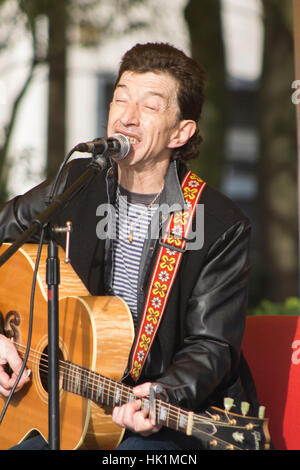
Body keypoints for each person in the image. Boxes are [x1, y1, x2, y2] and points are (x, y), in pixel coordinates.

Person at [0, 42, 259, 450]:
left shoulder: (219, 224)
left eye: (150, 107)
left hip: (165, 415)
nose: (127, 117)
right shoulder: (77, 184)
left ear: (181, 132)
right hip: (65, 402)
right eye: (120, 99)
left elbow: (212, 345)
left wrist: (163, 393)